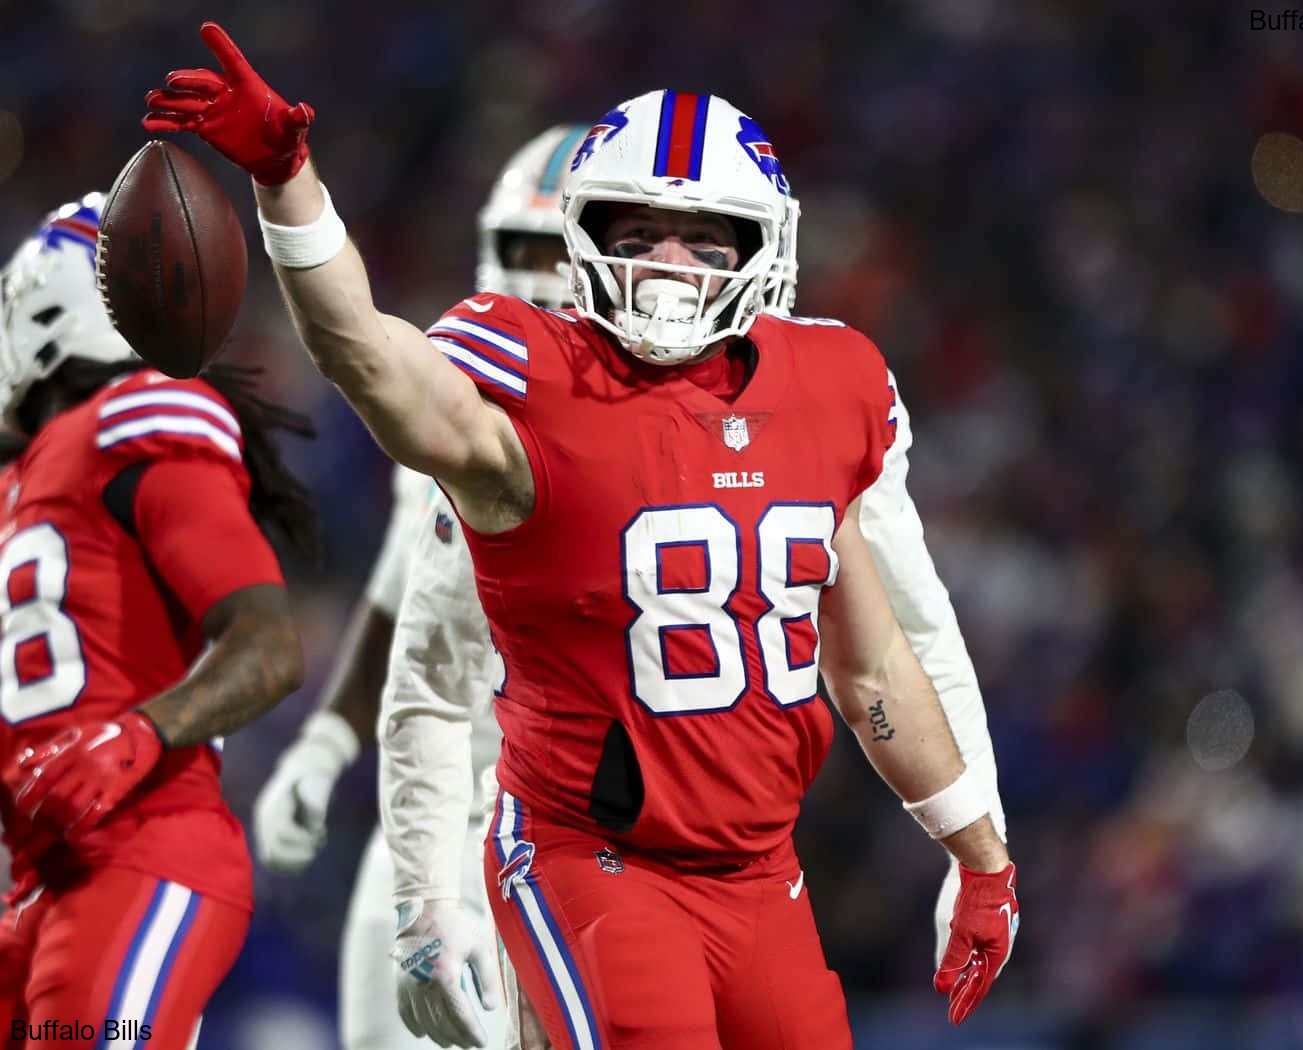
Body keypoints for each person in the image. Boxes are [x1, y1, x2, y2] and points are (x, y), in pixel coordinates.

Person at [145, 23, 1020, 1049]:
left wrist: (980, 857)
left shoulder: (830, 388)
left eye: (703, 240)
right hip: (592, 857)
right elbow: (365, 355)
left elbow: (871, 667)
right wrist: (289, 183)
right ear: (583, 237)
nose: (669, 265)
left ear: (762, 251)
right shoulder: (531, 379)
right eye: (637, 234)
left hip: (759, 869)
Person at [251, 124, 587, 1050]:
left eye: (560, 251)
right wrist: (324, 745)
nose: (541, 277)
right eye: (524, 250)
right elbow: (401, 599)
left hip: (578, 830)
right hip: (437, 815)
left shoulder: (664, 428)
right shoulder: (457, 398)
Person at [0, 191, 317, 1048]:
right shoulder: (23, 480)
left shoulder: (131, 422)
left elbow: (267, 644)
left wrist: (133, 736)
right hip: (34, 883)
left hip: (142, 852)